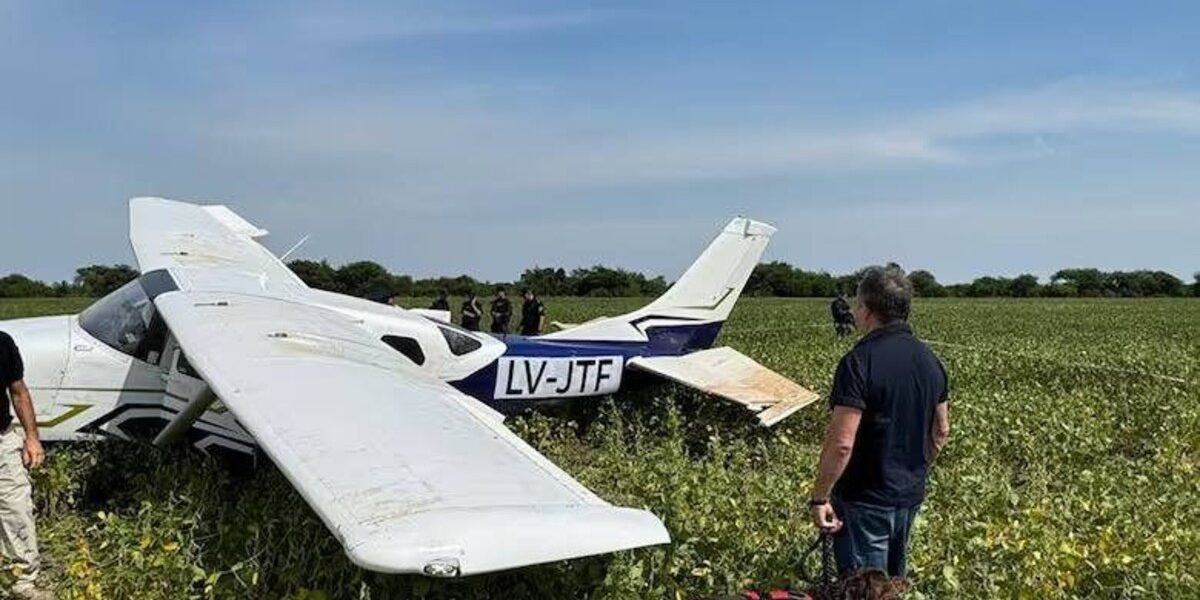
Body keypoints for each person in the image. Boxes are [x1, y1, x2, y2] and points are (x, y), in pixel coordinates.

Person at [808, 265, 950, 579]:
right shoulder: (931, 361)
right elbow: (941, 431)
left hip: (864, 501)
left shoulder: (858, 362)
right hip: (909, 497)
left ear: (868, 310)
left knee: (865, 588)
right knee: (893, 584)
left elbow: (842, 444)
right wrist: (912, 471)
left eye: (857, 305)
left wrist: (820, 497)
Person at [0, 330, 50, 600]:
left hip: (2, 439)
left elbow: (19, 392)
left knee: (16, 508)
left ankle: (22, 581)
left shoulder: (2, 343)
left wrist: (32, 437)